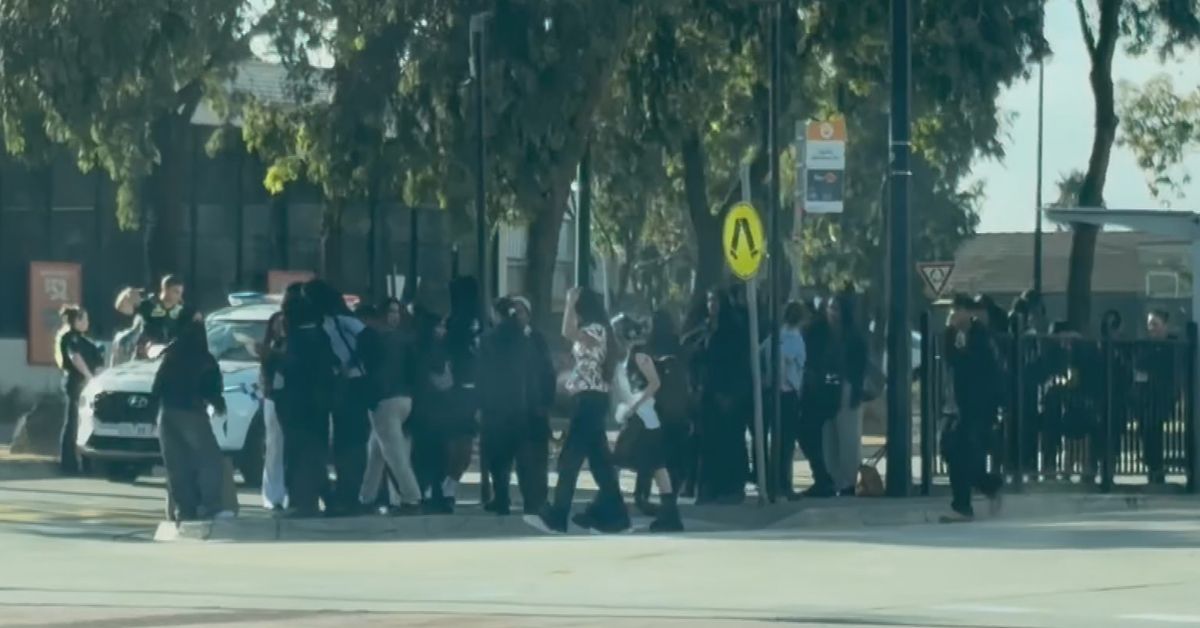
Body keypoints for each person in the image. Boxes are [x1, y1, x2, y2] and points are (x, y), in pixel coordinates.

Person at [528, 287, 629, 534]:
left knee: (570, 459)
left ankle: (558, 515)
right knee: (600, 463)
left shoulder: (595, 329)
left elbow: (567, 332)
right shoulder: (600, 329)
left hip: (590, 402)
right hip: (591, 400)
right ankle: (617, 516)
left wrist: (569, 301)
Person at [611, 313, 684, 532]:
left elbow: (654, 383)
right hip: (646, 418)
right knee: (656, 465)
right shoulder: (631, 355)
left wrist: (634, 405)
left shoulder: (638, 355)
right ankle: (670, 513)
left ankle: (612, 506)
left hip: (643, 418)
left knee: (618, 460)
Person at [153, 318, 230, 521]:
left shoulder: (170, 356)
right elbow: (211, 389)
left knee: (176, 464)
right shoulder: (204, 358)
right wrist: (218, 404)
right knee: (209, 460)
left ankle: (183, 510)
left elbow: (156, 387)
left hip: (166, 413)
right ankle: (211, 506)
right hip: (191, 412)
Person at [308, 279, 371, 517]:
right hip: (343, 383)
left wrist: (350, 364)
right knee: (346, 441)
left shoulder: (341, 320)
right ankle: (346, 493)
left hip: (353, 383)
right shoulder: (329, 320)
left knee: (350, 441)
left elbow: (368, 339)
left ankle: (350, 494)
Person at [941, 294, 1004, 521]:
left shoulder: (981, 337)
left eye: (959, 310)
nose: (954, 314)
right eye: (952, 310)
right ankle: (989, 485)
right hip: (955, 405)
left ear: (969, 312)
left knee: (962, 453)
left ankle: (962, 506)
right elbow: (950, 363)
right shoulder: (951, 335)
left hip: (977, 405)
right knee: (948, 449)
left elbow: (985, 370)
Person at [357, 300, 423, 515]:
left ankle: (412, 498)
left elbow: (364, 366)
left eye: (396, 312)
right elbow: (413, 369)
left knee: (394, 454)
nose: (394, 316)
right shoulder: (405, 339)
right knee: (376, 451)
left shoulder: (370, 338)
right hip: (404, 398)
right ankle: (366, 496)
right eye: (391, 312)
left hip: (384, 400)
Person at [279, 284, 338, 517]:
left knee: (298, 454)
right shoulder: (321, 336)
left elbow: (293, 370)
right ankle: (323, 496)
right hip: (319, 406)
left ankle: (302, 502)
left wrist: (274, 358)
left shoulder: (298, 340)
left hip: (299, 406)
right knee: (315, 454)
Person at [478, 298, 542, 515]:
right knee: (523, 457)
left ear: (497, 314)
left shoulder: (488, 340)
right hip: (521, 404)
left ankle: (502, 499)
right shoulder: (524, 339)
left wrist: (480, 404)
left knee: (498, 457)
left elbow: (482, 375)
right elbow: (533, 374)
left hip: (496, 406)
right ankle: (531, 501)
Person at [806, 292, 867, 497]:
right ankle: (833, 479)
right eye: (829, 308)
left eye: (835, 309)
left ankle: (848, 482)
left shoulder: (853, 336)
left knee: (848, 437)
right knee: (828, 436)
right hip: (826, 388)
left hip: (847, 388)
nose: (831, 313)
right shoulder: (820, 333)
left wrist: (854, 390)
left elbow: (859, 366)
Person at [696, 289, 752, 504]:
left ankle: (732, 487)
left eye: (716, 300)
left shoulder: (734, 329)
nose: (712, 304)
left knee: (731, 442)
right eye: (709, 300)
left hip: (731, 395)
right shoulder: (706, 328)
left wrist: (731, 394)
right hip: (709, 394)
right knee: (710, 443)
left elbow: (738, 364)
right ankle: (709, 487)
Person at [633, 309, 690, 511]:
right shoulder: (679, 347)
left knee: (649, 455)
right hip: (675, 411)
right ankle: (669, 495)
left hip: (655, 409)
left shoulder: (647, 347)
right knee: (672, 455)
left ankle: (643, 495)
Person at [437, 276, 484, 513]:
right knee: (464, 438)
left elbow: (446, 353)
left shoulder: (454, 323)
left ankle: (443, 486)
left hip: (454, 388)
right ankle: (450, 485)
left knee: (451, 438)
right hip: (474, 387)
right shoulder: (482, 322)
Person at [509, 296, 555, 515]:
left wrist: (546, 402)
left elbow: (548, 372)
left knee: (539, 456)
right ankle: (530, 498)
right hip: (517, 409)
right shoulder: (506, 339)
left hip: (537, 407)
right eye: (513, 312)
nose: (517, 316)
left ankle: (541, 499)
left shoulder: (537, 339)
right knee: (523, 458)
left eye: (521, 312)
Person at [761, 301, 807, 500]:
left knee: (776, 441)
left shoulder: (775, 338)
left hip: (774, 392)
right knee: (786, 443)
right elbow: (799, 364)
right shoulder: (795, 339)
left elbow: (760, 352)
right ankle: (782, 484)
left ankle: (774, 483)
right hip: (788, 394)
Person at [55, 305, 103, 475]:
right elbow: (75, 357)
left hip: (84, 382)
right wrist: (89, 376)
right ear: (77, 320)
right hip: (77, 382)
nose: (87, 322)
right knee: (74, 422)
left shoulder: (82, 338)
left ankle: (85, 462)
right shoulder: (70, 337)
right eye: (85, 319)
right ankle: (68, 463)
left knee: (84, 422)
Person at [259, 311, 288, 512]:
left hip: (290, 400)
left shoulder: (292, 346)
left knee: (288, 449)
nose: (280, 327)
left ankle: (285, 494)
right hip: (273, 400)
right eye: (276, 324)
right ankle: (272, 495)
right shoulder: (271, 348)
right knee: (274, 448)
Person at [115, 275, 187, 346]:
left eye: (181, 293)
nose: (179, 297)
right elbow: (123, 309)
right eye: (176, 292)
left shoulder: (181, 309)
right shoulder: (149, 304)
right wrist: (126, 296)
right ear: (165, 289)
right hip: (146, 350)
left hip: (170, 350)